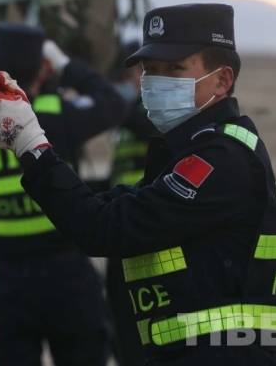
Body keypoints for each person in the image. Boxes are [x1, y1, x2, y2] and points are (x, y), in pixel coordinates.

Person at [0, 5, 276, 366]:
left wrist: (30, 141)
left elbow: (102, 228)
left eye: (175, 69)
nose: (154, 81)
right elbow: (100, 209)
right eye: (150, 70)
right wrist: (22, 140)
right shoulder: (190, 151)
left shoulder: (221, 159)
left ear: (222, 80)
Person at [0, 23, 127, 365]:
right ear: (43, 67)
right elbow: (114, 103)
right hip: (65, 273)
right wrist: (66, 65)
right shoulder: (57, 114)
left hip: (3, 277)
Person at [107, 41, 154, 366]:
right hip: (121, 229)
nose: (121, 85)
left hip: (147, 233)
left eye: (124, 78)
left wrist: (114, 107)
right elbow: (120, 176)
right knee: (121, 325)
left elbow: (146, 129)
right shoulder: (124, 123)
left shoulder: (154, 114)